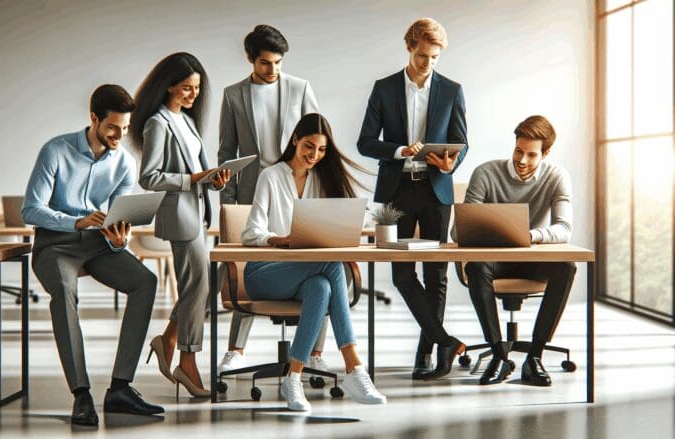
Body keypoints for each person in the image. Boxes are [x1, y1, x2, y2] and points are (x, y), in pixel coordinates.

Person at [22, 84, 164, 426]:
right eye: (113, 126)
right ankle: (81, 394)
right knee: (65, 294)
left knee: (146, 281)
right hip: (55, 245)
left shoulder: (125, 164)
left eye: (126, 128)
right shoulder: (55, 151)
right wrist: (76, 221)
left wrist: (119, 240)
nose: (119, 135)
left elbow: (116, 214)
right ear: (94, 119)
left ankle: (120, 388)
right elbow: (31, 210)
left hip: (99, 245)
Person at [241, 113, 386, 411]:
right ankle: (354, 366)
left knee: (321, 286)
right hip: (263, 274)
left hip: (306, 275)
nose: (314, 155)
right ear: (295, 139)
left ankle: (292, 377)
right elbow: (250, 232)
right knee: (332, 267)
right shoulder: (271, 176)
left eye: (321, 150)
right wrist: (277, 239)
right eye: (309, 146)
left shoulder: (320, 179)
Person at [357, 17, 468, 379]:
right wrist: (400, 150)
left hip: (436, 191)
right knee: (402, 275)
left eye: (435, 57)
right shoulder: (384, 88)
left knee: (437, 276)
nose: (428, 64)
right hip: (396, 192)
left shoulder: (452, 90)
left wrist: (450, 163)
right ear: (409, 48)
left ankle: (429, 350)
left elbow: (461, 142)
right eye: (423, 56)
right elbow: (365, 142)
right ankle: (444, 339)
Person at [217, 24, 325, 376]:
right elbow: (226, 151)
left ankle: (316, 351)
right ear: (251, 59)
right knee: (246, 269)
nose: (272, 69)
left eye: (278, 62)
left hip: (297, 187)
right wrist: (229, 204)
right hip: (251, 192)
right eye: (265, 63)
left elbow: (317, 135)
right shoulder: (234, 95)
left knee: (317, 259)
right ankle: (236, 350)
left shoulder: (300, 87)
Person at [130, 52, 231, 398]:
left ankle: (168, 339)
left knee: (203, 283)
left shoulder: (185, 121)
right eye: (186, 88)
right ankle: (187, 360)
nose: (193, 95)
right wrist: (192, 179)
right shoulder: (158, 123)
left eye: (197, 89)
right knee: (200, 283)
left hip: (198, 212)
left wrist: (212, 181)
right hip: (179, 216)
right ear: (168, 86)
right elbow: (149, 177)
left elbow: (198, 172)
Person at [462, 115, 576, 386]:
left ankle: (534, 357)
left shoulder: (557, 176)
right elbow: (459, 232)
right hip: (494, 260)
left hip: (531, 258)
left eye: (531, 154)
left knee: (567, 267)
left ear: (545, 153)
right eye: (518, 151)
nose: (522, 160)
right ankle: (500, 355)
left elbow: (564, 229)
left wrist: (529, 236)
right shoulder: (485, 173)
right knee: (475, 268)